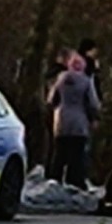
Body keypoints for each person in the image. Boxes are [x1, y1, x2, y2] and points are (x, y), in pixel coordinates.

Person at [47, 52, 101, 190]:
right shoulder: (86, 81)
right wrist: (94, 117)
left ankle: (54, 180)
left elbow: (51, 99)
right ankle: (74, 182)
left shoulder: (61, 79)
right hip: (79, 122)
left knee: (59, 152)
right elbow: (93, 103)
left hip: (61, 120)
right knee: (77, 154)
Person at [43, 48, 72, 177]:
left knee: (51, 145)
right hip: (59, 113)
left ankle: (49, 172)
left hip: (51, 111)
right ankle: (55, 174)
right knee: (59, 147)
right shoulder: (63, 75)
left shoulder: (50, 74)